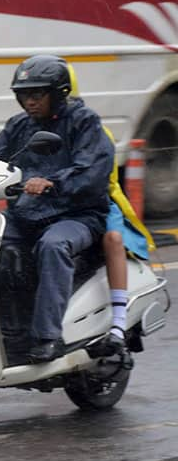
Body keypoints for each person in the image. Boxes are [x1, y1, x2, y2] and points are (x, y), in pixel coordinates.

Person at [0, 54, 113, 362]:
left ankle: (48, 337)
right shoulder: (19, 125)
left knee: (53, 246)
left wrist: (52, 182)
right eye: (24, 95)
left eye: (37, 94)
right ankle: (8, 330)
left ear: (58, 93)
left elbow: (92, 172)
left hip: (79, 216)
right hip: (28, 214)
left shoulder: (84, 122)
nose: (30, 102)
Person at [65, 65, 157, 356]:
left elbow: (98, 181)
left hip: (95, 202)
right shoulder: (28, 126)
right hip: (47, 206)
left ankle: (118, 322)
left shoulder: (92, 130)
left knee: (113, 240)